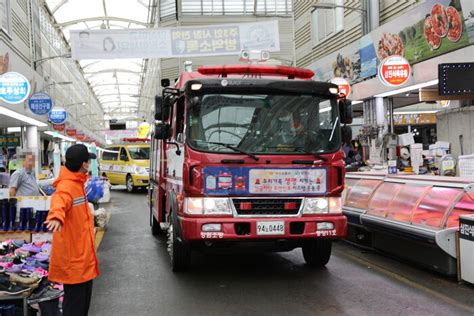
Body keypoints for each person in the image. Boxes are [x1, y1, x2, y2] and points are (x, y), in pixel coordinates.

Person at [46, 144, 99, 316]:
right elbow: (59, 202)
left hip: (82, 259)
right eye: (88, 161)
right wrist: (55, 217)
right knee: (74, 309)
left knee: (82, 307)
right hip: (74, 262)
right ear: (84, 164)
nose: (90, 163)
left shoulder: (78, 183)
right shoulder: (67, 186)